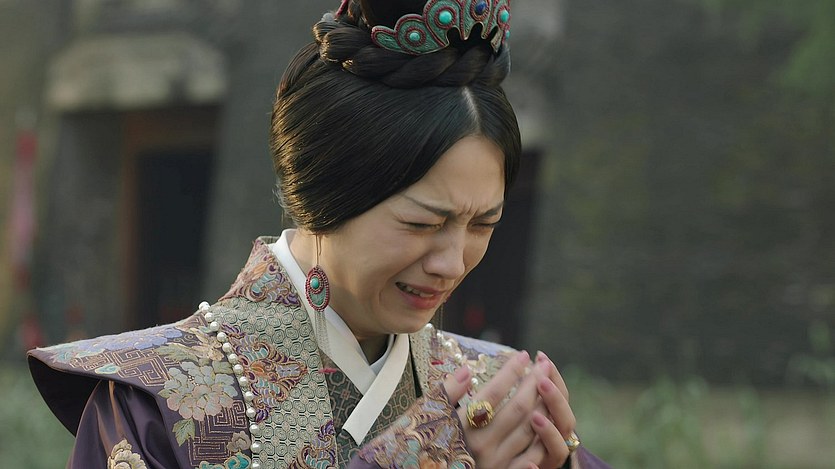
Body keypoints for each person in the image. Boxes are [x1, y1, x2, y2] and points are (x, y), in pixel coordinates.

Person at [29, 0, 611, 467]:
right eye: (421, 223)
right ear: (324, 197)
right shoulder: (154, 402)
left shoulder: (497, 394)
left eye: (483, 224)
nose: (453, 262)